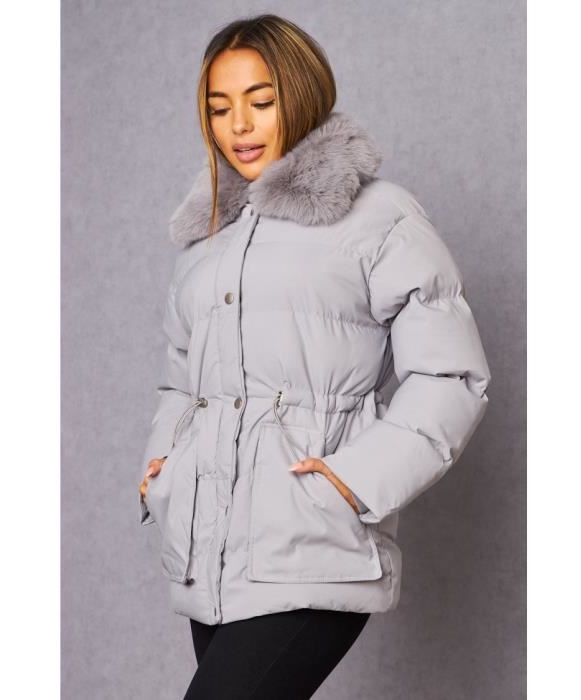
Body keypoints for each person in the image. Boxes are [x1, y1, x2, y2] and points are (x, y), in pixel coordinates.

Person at [137, 13, 491, 699]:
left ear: (301, 96)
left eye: (261, 101)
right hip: (209, 556)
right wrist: (163, 465)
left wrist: (354, 482)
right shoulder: (209, 239)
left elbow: (451, 373)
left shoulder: (379, 216)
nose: (239, 125)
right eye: (220, 107)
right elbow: (181, 380)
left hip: (310, 543)